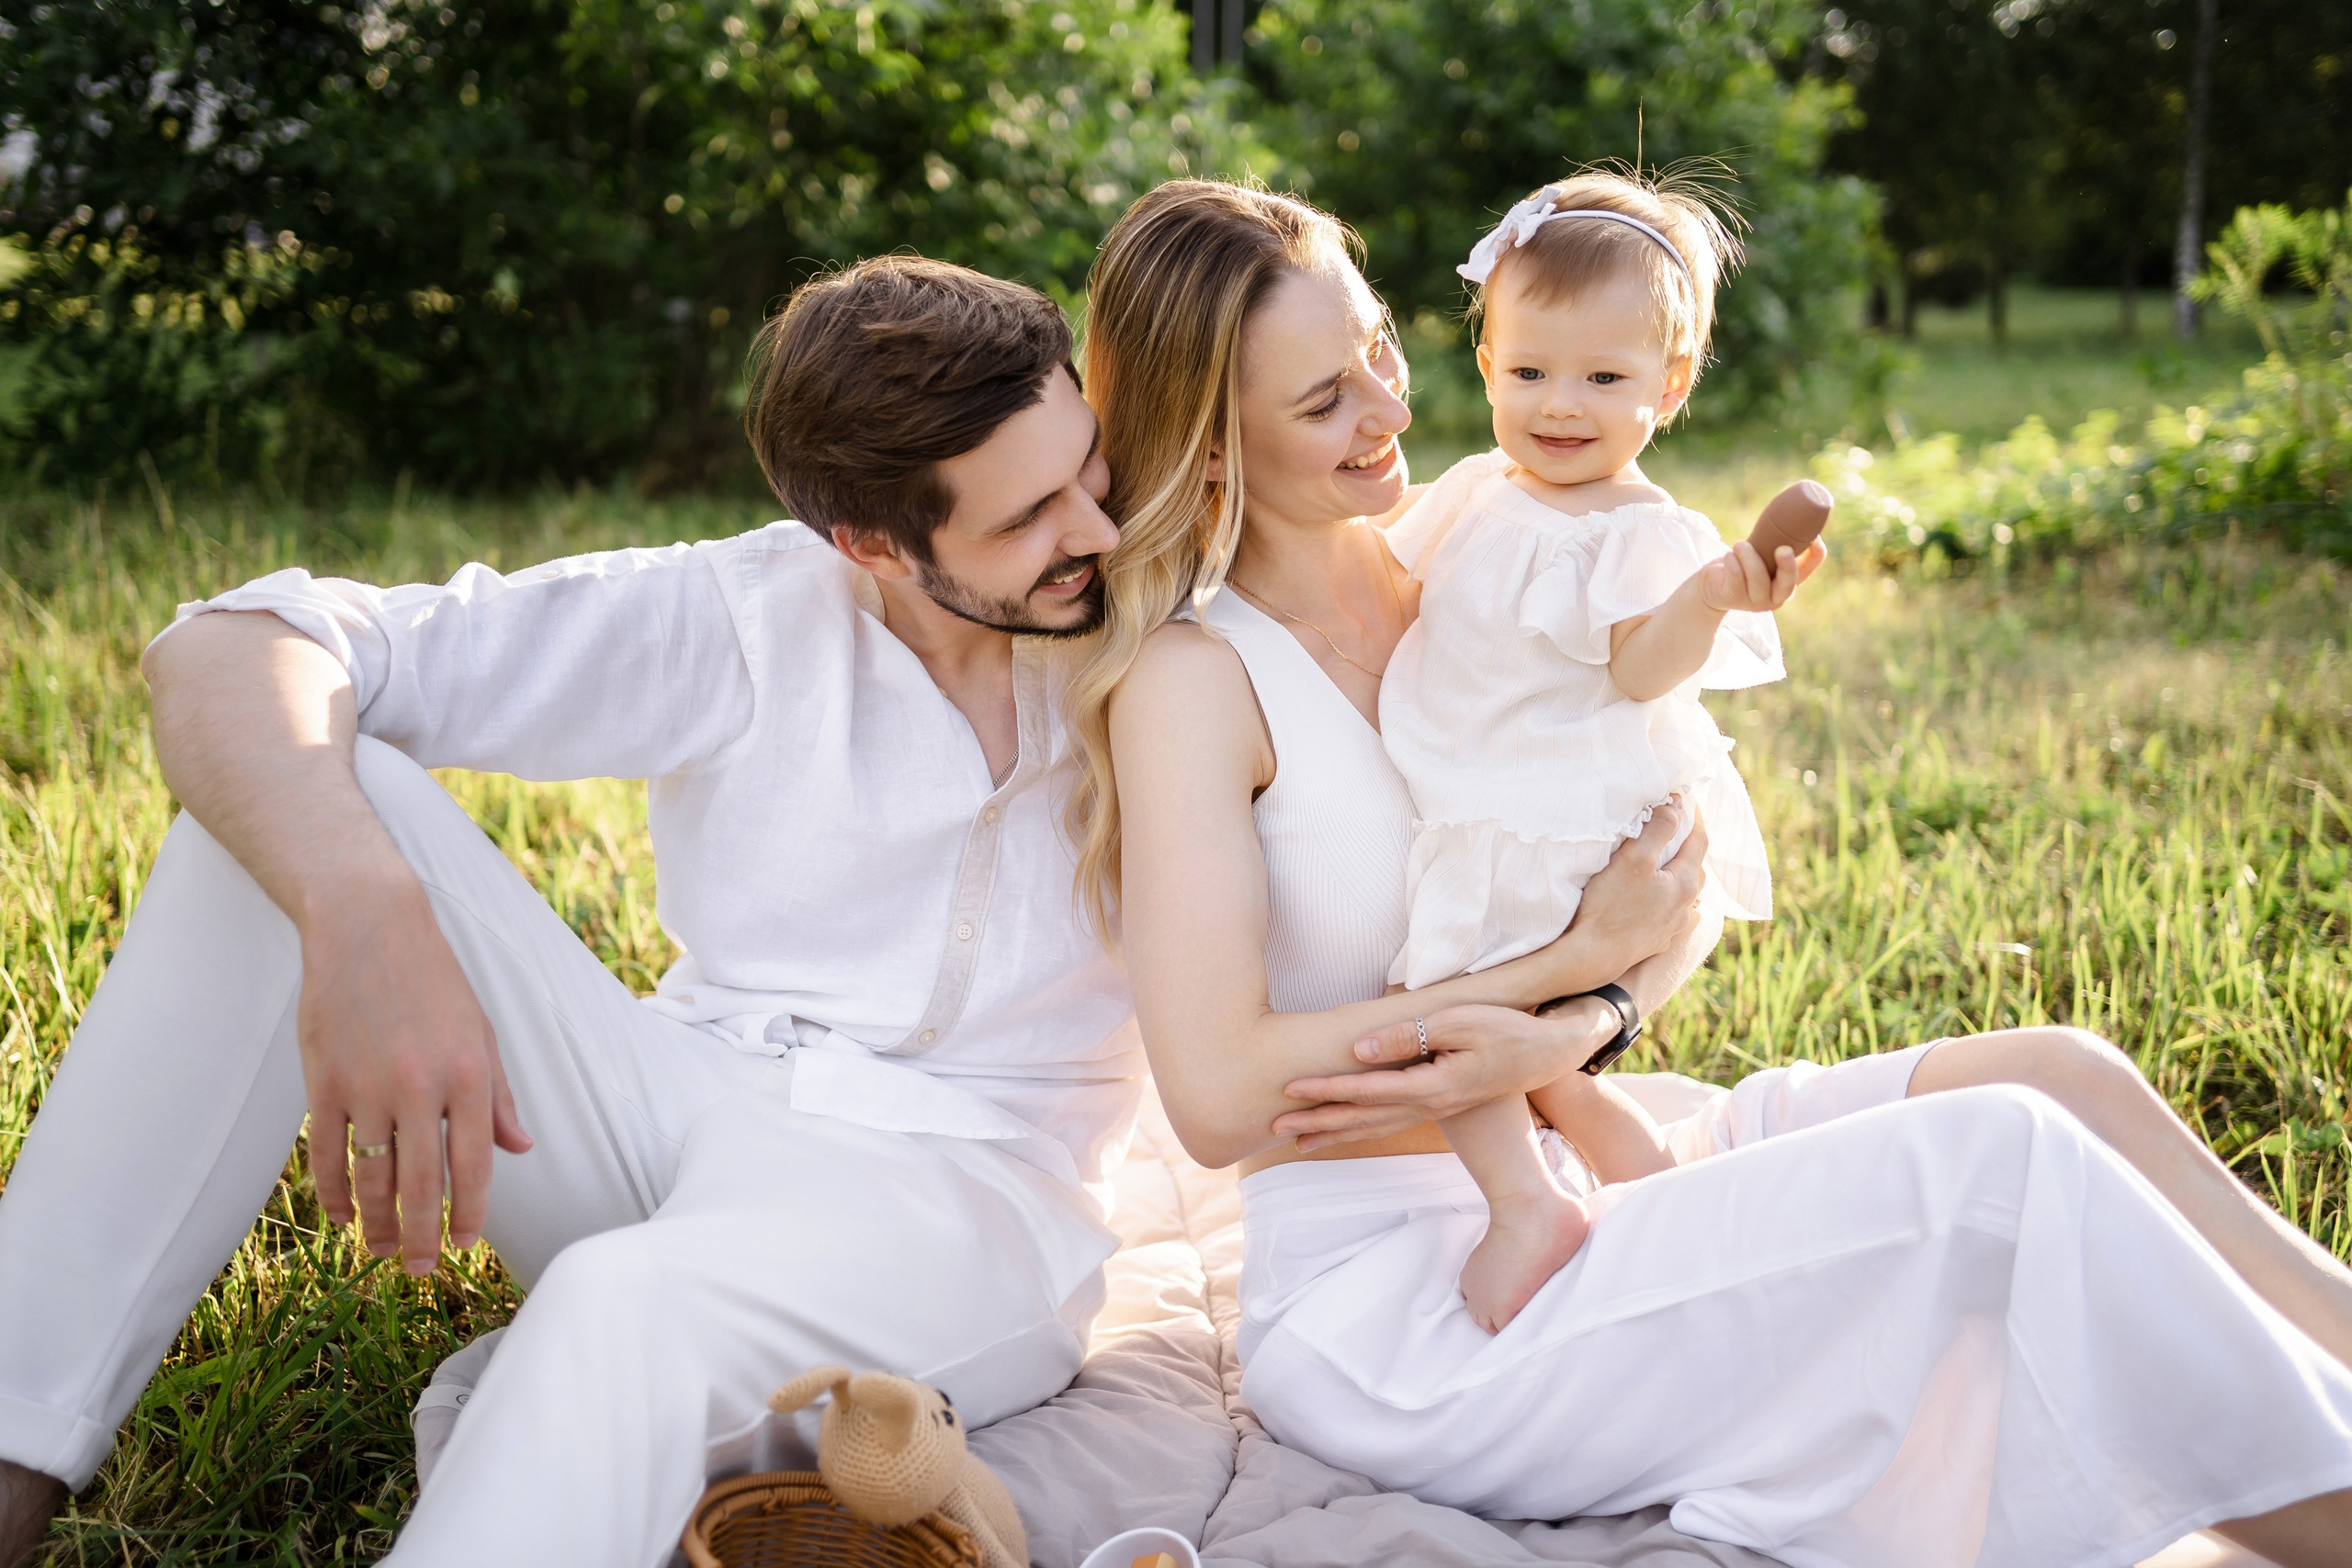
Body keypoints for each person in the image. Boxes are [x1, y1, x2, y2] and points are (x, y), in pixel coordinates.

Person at [1071, 177, 2352, 1567]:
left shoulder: (1470, 545)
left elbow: (1662, 885)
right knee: (1999, 1164)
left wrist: (1595, 1010)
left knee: (2062, 1076)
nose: (1387, 408)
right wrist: (1565, 968)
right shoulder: (1197, 679)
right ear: (1213, 449)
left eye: (1378, 347)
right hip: (1407, 1292)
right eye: (1321, 403)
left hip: (1574, 1149)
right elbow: (1215, 1096)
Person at [0, 257, 1138, 1568]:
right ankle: (20, 1443)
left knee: (618, 1303)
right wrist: (363, 913)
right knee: (312, 793)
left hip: (971, 1186)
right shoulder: (749, 613)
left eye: (1086, 471)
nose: (1095, 529)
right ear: (871, 545)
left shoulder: (1153, 630)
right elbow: (235, 641)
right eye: (1030, 517)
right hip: (676, 1097)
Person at [1376, 169, 1820, 1331]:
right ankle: (1616, 1143)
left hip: (1546, 812)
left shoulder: (1636, 530)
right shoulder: (1482, 486)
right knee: (1518, 1037)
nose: (1558, 404)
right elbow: (1384, 569)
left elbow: (1638, 665)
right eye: (1528, 371)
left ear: (1667, 389)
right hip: (1490, 782)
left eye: (1603, 378)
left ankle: (1526, 1204)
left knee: (1439, 1003)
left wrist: (1715, 593)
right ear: (1486, 367)